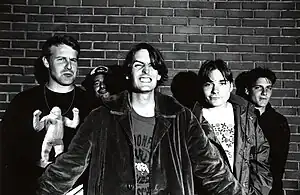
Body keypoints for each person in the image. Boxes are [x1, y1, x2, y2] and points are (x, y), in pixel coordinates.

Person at [37, 43, 247, 195]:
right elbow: (69, 165)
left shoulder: (181, 118)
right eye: (138, 65)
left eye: (152, 66)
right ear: (129, 73)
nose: (146, 70)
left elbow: (212, 169)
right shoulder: (101, 117)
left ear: (158, 75)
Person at [0, 35, 89, 195]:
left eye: (73, 60)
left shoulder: (91, 104)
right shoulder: (24, 102)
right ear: (47, 62)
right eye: (61, 59)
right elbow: (7, 154)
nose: (69, 66)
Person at [192, 59, 272, 195]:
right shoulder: (192, 120)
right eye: (209, 84)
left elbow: (260, 158)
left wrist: (258, 192)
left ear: (230, 86)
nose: (215, 90)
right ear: (202, 87)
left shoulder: (246, 116)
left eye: (221, 83)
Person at [241, 67, 290, 195]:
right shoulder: (239, 118)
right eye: (259, 88)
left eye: (268, 88)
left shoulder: (279, 122)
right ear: (247, 90)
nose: (265, 93)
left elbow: (279, 164)